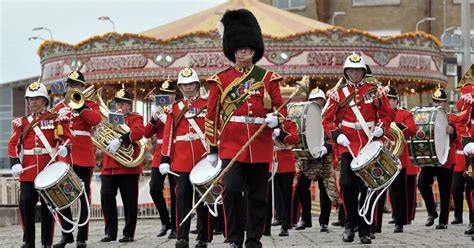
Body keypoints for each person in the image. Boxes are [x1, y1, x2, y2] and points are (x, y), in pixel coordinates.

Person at [205, 9, 286, 248]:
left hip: (259, 145)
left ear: (254, 49)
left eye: (248, 47)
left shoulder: (268, 78)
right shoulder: (220, 80)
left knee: (258, 197)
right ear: (233, 49)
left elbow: (281, 107)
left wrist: (276, 119)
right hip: (232, 144)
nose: (244, 51)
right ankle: (233, 238)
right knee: (230, 189)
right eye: (240, 47)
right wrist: (212, 148)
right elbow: (211, 117)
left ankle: (253, 239)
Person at [322, 53, 394, 244]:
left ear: (363, 71)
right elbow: (327, 120)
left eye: (358, 70)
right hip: (347, 145)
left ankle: (364, 229)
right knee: (346, 185)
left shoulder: (375, 90)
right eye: (352, 70)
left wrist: (381, 128)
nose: (355, 73)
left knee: (368, 188)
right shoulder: (338, 93)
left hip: (369, 142)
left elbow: (386, 115)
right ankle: (349, 223)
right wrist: (338, 135)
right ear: (346, 72)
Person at [9, 81, 71, 248]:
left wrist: (64, 149)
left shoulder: (55, 119)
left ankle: (47, 243)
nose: (33, 102)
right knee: (25, 204)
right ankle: (28, 241)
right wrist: (15, 162)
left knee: (47, 208)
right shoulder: (21, 122)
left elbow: (65, 138)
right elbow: (13, 145)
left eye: (37, 98)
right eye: (30, 99)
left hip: (47, 170)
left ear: (44, 100)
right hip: (28, 171)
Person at [160, 67, 213, 248]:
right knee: (182, 197)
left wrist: (215, 152)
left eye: (191, 84)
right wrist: (165, 159)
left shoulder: (207, 104)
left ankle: (203, 236)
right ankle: (182, 235)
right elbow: (168, 135)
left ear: (197, 85)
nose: (188, 88)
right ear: (180, 88)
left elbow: (215, 130)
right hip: (181, 160)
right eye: (184, 85)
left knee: (203, 199)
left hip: (203, 159)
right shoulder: (174, 109)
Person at [52, 71, 101, 248]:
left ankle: (82, 237)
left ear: (82, 87)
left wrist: (80, 106)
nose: (74, 88)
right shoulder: (58, 107)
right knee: (60, 196)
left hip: (83, 155)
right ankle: (66, 234)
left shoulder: (89, 105)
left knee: (82, 196)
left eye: (78, 85)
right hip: (64, 155)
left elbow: (95, 120)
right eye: (71, 84)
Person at [100, 87, 144, 243]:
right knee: (106, 199)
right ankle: (110, 232)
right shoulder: (109, 118)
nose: (120, 107)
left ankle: (128, 233)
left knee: (130, 202)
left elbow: (139, 132)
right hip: (109, 166)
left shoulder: (135, 118)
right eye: (118, 103)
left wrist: (120, 140)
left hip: (128, 167)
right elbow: (101, 133)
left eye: (124, 104)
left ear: (129, 106)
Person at [371, 83, 416, 234]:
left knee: (398, 193)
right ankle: (375, 225)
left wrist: (396, 126)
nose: (389, 102)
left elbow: (412, 129)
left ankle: (399, 222)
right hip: (380, 158)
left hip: (398, 159)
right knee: (379, 193)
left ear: (396, 101)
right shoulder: (377, 114)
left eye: (391, 99)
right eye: (386, 99)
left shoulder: (404, 114)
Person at [294, 87, 336, 233]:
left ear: (324, 102)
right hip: (308, 159)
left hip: (324, 159)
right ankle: (305, 218)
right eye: (313, 100)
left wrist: (326, 147)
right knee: (301, 185)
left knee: (325, 190)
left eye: (319, 100)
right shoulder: (305, 118)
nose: (316, 103)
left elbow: (333, 135)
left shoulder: (329, 116)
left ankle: (324, 221)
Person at [417, 86, 455, 230]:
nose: (437, 104)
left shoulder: (452, 117)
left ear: (445, 103)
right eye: (435, 101)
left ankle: (443, 221)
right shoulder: (428, 116)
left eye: (440, 102)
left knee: (445, 191)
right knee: (421, 183)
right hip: (431, 158)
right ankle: (432, 212)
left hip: (445, 158)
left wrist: (453, 131)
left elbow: (459, 135)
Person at [145, 80, 178, 239]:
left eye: (169, 94)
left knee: (175, 191)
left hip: (176, 152)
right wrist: (153, 118)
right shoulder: (158, 110)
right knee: (154, 188)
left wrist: (168, 118)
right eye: (163, 95)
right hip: (160, 154)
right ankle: (166, 221)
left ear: (174, 95)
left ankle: (176, 227)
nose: (165, 97)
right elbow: (146, 134)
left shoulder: (178, 108)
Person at [264, 119, 299, 236]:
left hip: (285, 162)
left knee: (286, 196)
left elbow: (295, 138)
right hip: (269, 161)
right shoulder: (266, 123)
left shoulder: (289, 123)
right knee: (267, 196)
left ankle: (285, 226)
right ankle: (265, 226)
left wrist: (282, 134)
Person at [452, 64, 474, 235]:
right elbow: (461, 120)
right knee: (472, 185)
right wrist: (467, 141)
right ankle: (473, 221)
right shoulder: (469, 90)